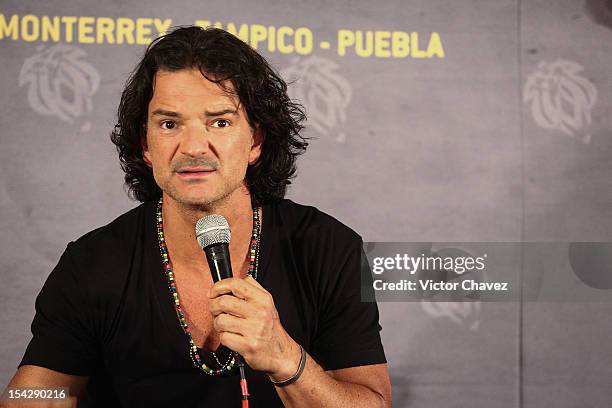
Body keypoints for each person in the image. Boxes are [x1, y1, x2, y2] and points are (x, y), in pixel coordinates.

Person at [4, 26, 391, 407]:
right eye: (169, 124)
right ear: (146, 145)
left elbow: (370, 401)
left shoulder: (327, 248)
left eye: (219, 122)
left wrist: (286, 358)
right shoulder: (92, 263)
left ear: (255, 140)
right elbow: (37, 392)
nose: (192, 147)